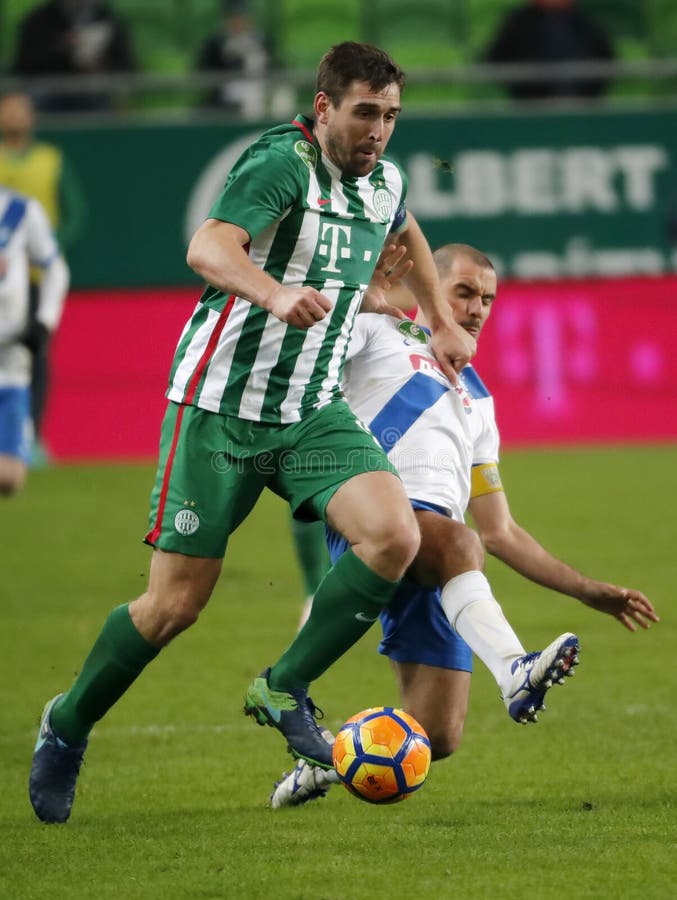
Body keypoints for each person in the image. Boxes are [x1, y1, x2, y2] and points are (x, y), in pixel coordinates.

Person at [28, 41, 475, 824]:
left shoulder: (384, 182)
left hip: (309, 408)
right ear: (325, 106)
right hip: (218, 409)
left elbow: (407, 229)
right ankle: (66, 727)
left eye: (391, 116)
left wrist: (436, 317)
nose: (378, 131)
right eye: (365, 113)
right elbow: (207, 247)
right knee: (172, 607)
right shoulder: (282, 165)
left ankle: (282, 683)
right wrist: (272, 293)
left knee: (392, 536)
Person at [269, 243, 658, 807]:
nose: (477, 308)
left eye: (488, 299)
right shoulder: (379, 334)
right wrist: (362, 296)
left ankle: (328, 762)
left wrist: (587, 590)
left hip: (443, 562)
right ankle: (515, 672)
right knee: (459, 541)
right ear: (430, 289)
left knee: (437, 734)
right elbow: (309, 347)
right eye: (464, 292)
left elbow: (501, 531)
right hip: (375, 530)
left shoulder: (478, 399)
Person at [0, 92, 86, 460]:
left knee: (33, 354)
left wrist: (44, 248)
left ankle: (28, 435)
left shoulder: (51, 159)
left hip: (32, 279)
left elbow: (74, 213)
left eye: (22, 108)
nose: (15, 115)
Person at [0, 185, 69, 495]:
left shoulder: (19, 211)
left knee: (11, 480)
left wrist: (44, 322)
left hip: (11, 360)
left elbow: (55, 268)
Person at [12, 0, 135, 112]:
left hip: (93, 92)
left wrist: (101, 64)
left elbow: (127, 66)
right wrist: (62, 49)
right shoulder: (38, 20)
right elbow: (24, 65)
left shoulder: (111, 19)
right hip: (48, 91)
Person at [485, 0, 614, 100]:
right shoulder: (519, 23)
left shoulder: (585, 24)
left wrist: (586, 95)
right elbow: (494, 60)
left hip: (578, 108)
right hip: (531, 109)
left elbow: (607, 62)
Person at [195, 0, 270, 118]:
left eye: (242, 17)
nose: (238, 22)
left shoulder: (260, 40)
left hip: (262, 89)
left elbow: (274, 66)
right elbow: (204, 71)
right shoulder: (216, 43)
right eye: (234, 18)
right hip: (227, 95)